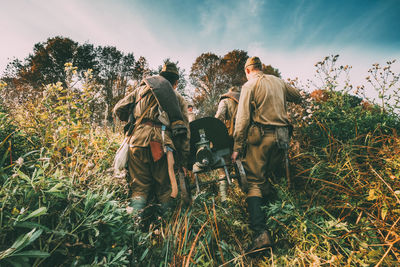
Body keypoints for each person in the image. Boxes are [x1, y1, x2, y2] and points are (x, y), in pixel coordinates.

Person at [231, 56, 301, 251]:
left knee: (253, 182)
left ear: (247, 71)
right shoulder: (278, 81)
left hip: (261, 138)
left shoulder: (249, 86)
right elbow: (297, 95)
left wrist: (237, 147)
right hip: (283, 139)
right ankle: (286, 227)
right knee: (272, 179)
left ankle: (261, 234)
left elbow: (243, 119)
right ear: (261, 68)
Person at [113, 62, 190, 226]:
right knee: (164, 189)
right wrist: (183, 161)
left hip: (137, 141)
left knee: (139, 188)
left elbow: (118, 109)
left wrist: (134, 119)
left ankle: (135, 226)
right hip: (162, 144)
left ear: (160, 78)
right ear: (175, 83)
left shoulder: (141, 90)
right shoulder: (177, 98)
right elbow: (184, 132)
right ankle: (163, 229)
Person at [215, 86, 240, 202]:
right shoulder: (243, 100)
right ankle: (240, 193)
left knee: (223, 166)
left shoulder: (224, 101)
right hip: (241, 137)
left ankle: (224, 198)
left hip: (227, 137)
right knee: (240, 164)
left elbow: (219, 116)